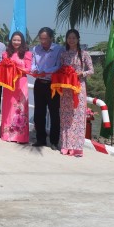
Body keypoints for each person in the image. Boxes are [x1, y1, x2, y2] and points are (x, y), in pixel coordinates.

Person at [59, 29, 94, 157]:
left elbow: (91, 70)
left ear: (78, 39)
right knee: (66, 116)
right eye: (69, 38)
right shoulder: (63, 54)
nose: (71, 40)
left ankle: (77, 147)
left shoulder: (84, 54)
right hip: (66, 89)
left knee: (78, 117)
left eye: (74, 38)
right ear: (66, 39)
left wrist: (82, 73)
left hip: (79, 88)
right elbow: (60, 69)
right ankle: (65, 145)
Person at [31, 27, 64, 148]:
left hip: (53, 84)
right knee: (39, 113)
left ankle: (54, 141)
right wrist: (34, 70)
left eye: (45, 39)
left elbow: (59, 66)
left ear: (51, 38)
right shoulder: (36, 49)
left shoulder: (58, 49)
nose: (43, 41)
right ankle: (41, 139)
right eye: (41, 39)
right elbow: (33, 63)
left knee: (54, 113)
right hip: (39, 83)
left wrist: (46, 71)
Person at [0, 31, 32, 143]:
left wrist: (17, 69)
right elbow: (2, 67)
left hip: (21, 83)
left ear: (22, 41)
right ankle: (7, 134)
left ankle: (20, 136)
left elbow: (28, 69)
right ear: (11, 41)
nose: (16, 42)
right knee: (8, 107)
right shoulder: (6, 53)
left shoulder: (27, 54)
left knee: (20, 108)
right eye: (14, 40)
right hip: (9, 84)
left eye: (18, 40)